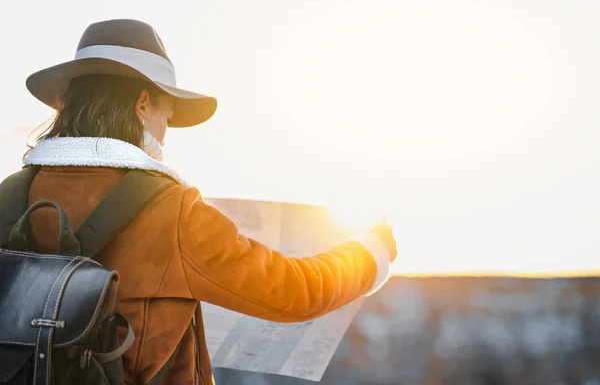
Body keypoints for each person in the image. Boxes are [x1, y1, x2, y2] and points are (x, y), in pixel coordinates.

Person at [21, 19, 398, 384]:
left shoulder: (13, 194)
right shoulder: (171, 210)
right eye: (166, 115)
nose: (165, 134)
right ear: (142, 104)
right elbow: (293, 292)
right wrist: (370, 252)